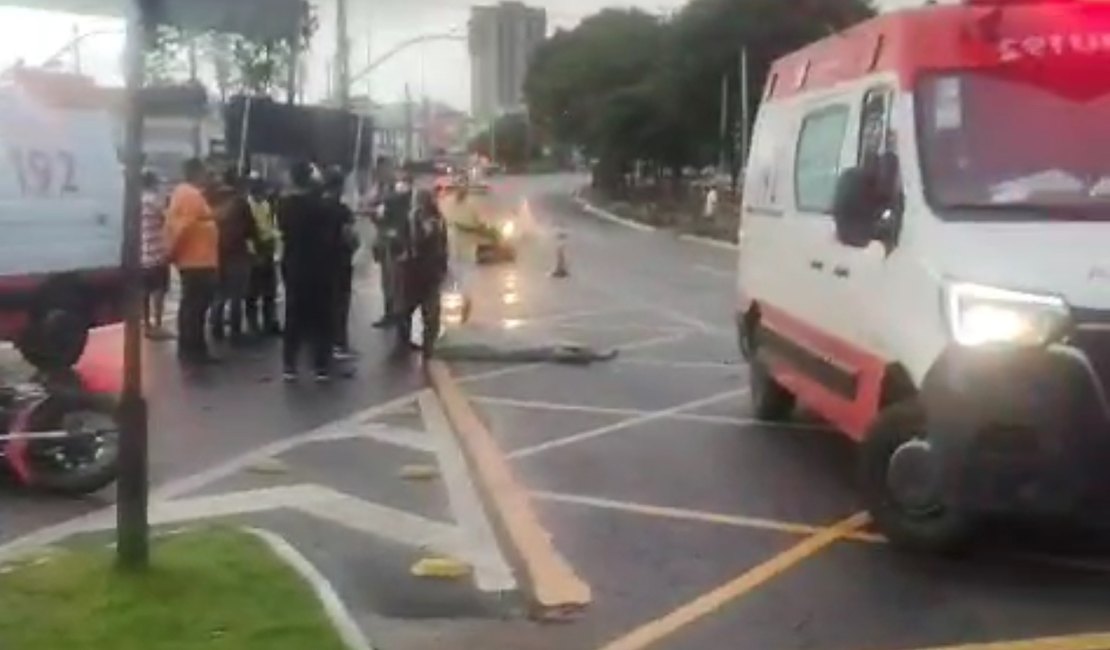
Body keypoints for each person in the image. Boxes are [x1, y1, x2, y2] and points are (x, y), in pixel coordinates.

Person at [277, 162, 339, 382]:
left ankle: (289, 365)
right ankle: (320, 365)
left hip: (294, 265)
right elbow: (332, 235)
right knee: (322, 316)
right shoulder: (323, 206)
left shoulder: (284, 205)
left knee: (294, 315)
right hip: (320, 266)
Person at [166, 158, 219, 365]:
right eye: (205, 172)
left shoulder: (185, 193)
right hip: (197, 261)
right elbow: (183, 227)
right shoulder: (190, 195)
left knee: (193, 307)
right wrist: (171, 252)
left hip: (198, 259)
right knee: (195, 308)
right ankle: (193, 350)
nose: (208, 176)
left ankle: (193, 348)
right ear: (196, 172)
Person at [395, 188, 449, 358]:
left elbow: (443, 244)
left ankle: (428, 347)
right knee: (406, 309)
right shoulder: (411, 219)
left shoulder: (438, 219)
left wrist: (444, 266)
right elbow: (404, 241)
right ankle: (404, 343)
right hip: (413, 270)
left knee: (431, 312)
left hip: (431, 271)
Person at [209, 171, 260, 346]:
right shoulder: (240, 203)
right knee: (236, 294)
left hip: (215, 252)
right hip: (237, 253)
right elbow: (252, 230)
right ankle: (235, 333)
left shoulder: (211, 198)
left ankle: (216, 329)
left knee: (219, 294)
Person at [322, 167, 359, 359]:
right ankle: (338, 343)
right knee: (339, 304)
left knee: (323, 303)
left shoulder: (316, 205)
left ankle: (322, 342)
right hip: (339, 262)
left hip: (319, 262)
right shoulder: (341, 210)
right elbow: (350, 237)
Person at [373, 170, 415, 329]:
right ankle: (392, 314)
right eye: (399, 181)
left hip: (400, 249)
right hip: (389, 247)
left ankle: (399, 316)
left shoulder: (408, 201)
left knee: (398, 285)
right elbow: (378, 220)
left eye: (403, 181)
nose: (400, 184)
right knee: (389, 283)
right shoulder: (389, 200)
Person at [245, 174, 281, 337]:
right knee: (252, 291)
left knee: (270, 290)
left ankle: (270, 322)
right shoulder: (247, 206)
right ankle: (253, 325)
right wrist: (253, 254)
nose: (263, 194)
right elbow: (247, 232)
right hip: (254, 249)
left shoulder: (266, 204)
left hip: (267, 247)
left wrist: (274, 248)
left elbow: (271, 226)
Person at [140, 169, 173, 340]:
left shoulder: (135, 202)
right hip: (157, 253)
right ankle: (158, 325)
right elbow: (167, 220)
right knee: (159, 291)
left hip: (141, 255)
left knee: (144, 292)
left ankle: (146, 324)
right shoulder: (155, 201)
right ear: (152, 183)